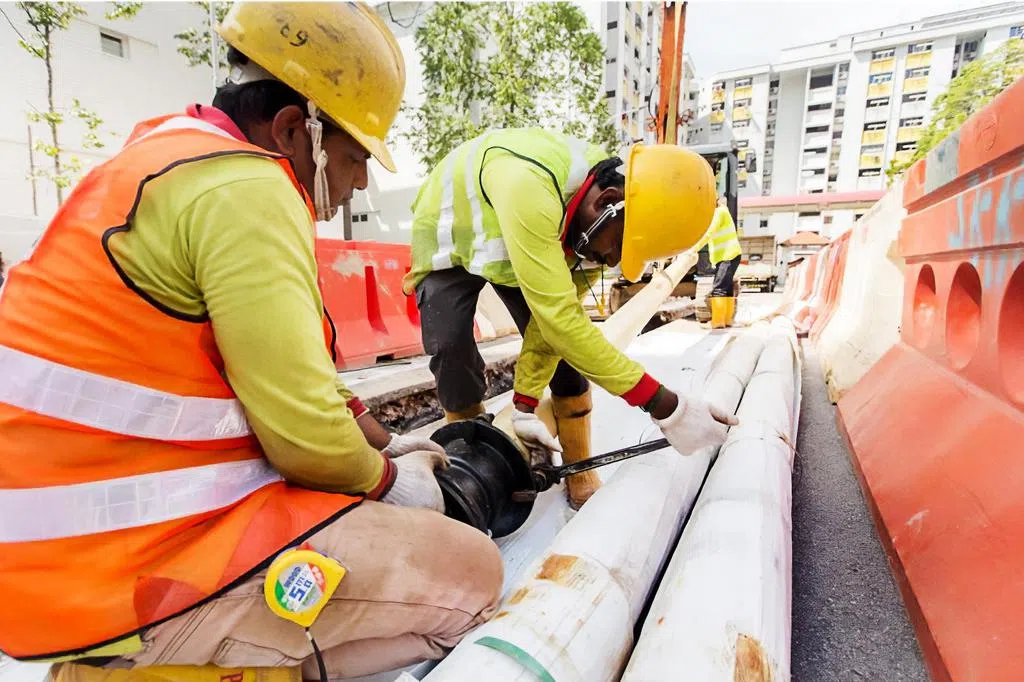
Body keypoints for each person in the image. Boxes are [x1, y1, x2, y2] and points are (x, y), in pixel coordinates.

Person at [0, 3, 502, 679]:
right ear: (295, 128)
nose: (358, 182)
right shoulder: (247, 185)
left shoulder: (166, 158)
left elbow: (283, 381)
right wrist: (397, 483)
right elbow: (303, 437)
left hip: (58, 564)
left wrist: (388, 443)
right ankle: (167, 666)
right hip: (141, 570)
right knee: (473, 576)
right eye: (355, 158)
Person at [404, 129, 739, 509]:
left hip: (529, 238)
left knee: (568, 357)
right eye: (617, 246)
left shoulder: (592, 232)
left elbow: (553, 334)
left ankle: (579, 465)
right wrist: (666, 405)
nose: (613, 262)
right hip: (452, 233)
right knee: (450, 348)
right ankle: (469, 460)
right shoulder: (528, 184)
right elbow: (560, 321)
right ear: (607, 203)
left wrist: (525, 405)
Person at [696, 196, 743, 328]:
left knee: (719, 288)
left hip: (727, 255)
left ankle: (717, 322)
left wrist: (694, 249)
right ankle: (727, 321)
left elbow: (709, 232)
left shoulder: (720, 212)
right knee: (726, 288)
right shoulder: (721, 212)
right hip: (729, 255)